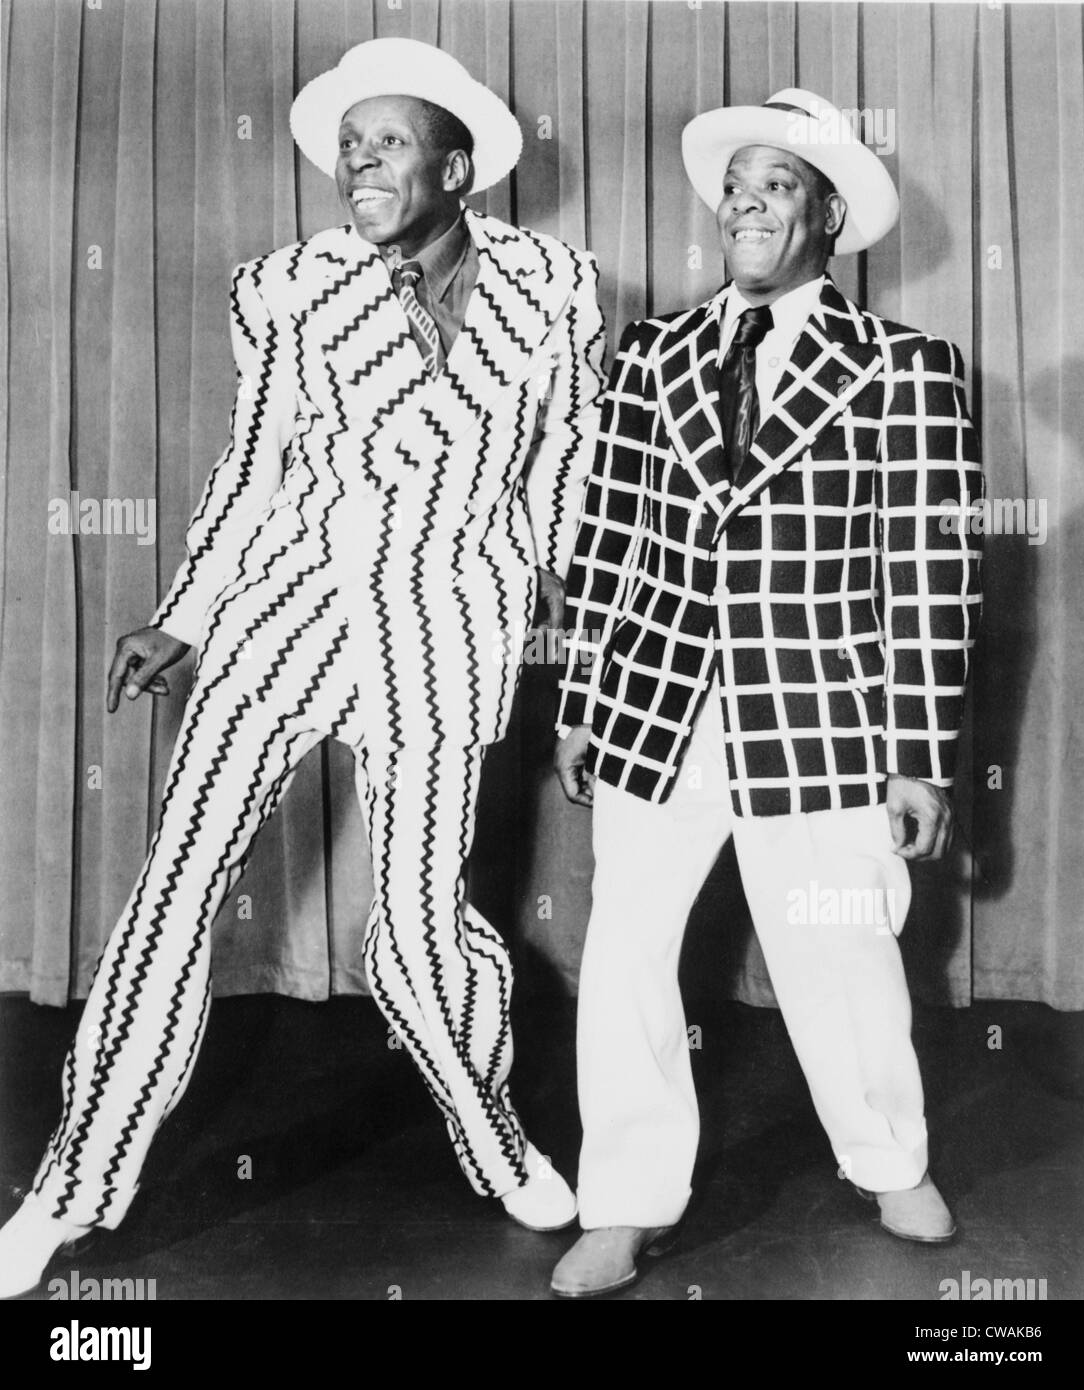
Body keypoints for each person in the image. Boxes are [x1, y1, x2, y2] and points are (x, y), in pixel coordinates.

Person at [0, 37, 605, 1299]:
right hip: (285, 614)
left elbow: (564, 481)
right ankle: (68, 1189)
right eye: (347, 147)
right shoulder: (283, 286)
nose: (357, 165)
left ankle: (490, 1132)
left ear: (457, 163)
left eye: (387, 142)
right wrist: (187, 612)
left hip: (447, 627)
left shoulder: (555, 287)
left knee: (417, 934)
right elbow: (254, 464)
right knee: (174, 892)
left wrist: (594, 643)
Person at [551, 89, 983, 1298]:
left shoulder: (906, 368)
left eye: (776, 184)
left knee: (840, 950)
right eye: (733, 184)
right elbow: (611, 535)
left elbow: (931, 568)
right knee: (628, 951)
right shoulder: (651, 353)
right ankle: (625, 1202)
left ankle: (890, 1161)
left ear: (830, 215)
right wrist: (584, 694)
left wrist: (919, 756)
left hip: (821, 716)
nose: (743, 201)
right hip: (657, 703)